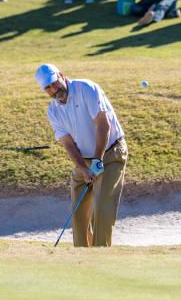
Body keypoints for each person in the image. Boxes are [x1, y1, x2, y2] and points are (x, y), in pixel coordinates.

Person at [35, 63, 127, 247]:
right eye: (48, 88)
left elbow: (103, 125)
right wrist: (83, 168)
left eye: (54, 83)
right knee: (78, 212)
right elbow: (68, 144)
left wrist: (97, 160)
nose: (53, 89)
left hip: (109, 153)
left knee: (101, 210)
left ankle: (100, 256)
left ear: (61, 75)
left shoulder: (86, 88)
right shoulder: (53, 111)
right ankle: (82, 258)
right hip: (84, 160)